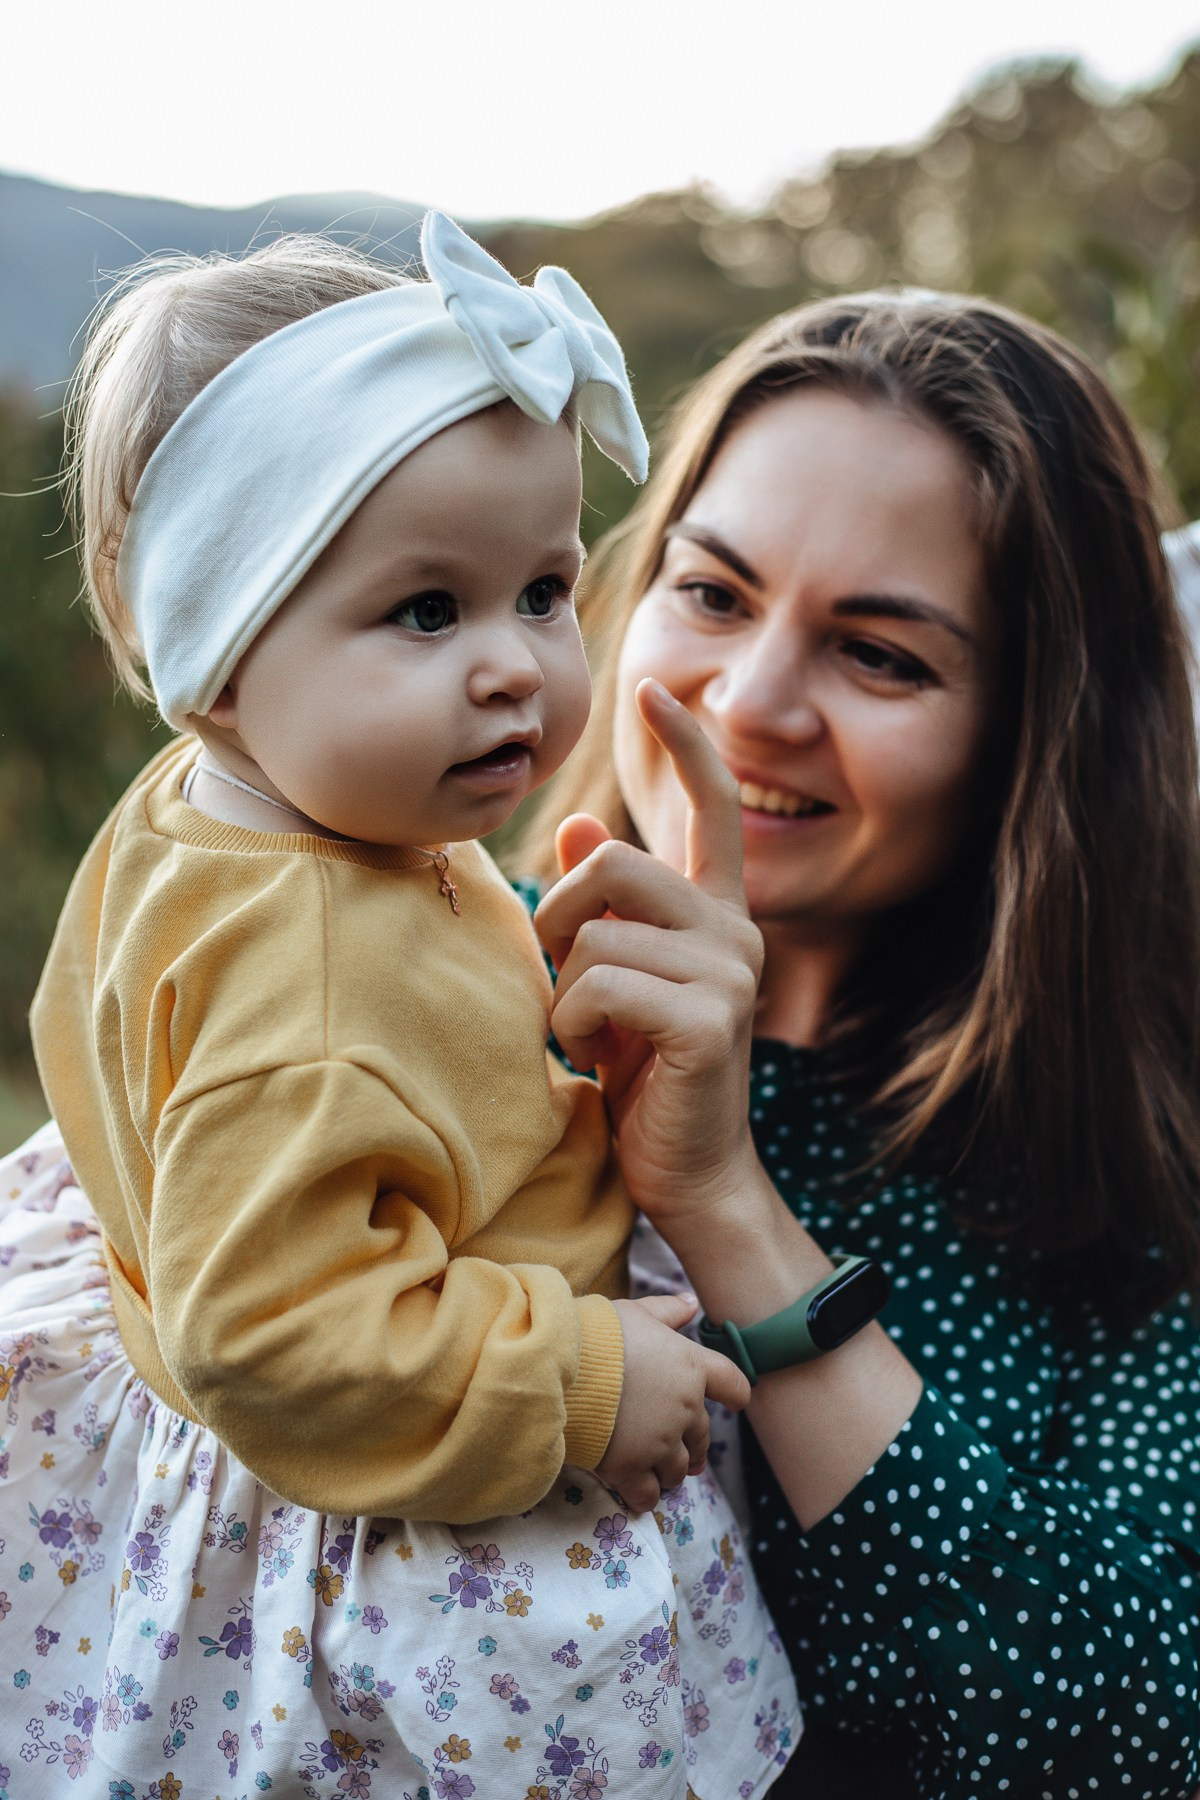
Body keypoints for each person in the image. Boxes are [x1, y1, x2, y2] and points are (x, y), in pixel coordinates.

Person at [0, 215, 798, 1796]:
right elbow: (281, 1333)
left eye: (545, 590)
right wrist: (576, 1380)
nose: (514, 667)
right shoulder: (299, 977)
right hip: (408, 1516)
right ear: (219, 658)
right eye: (427, 613)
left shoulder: (250, 813)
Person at [522, 292, 1200, 1798]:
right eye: (711, 593)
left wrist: (728, 1209)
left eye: (881, 657)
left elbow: (1133, 1733)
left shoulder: (1139, 1193)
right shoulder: (428, 967)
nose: (747, 705)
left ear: (1040, 735)